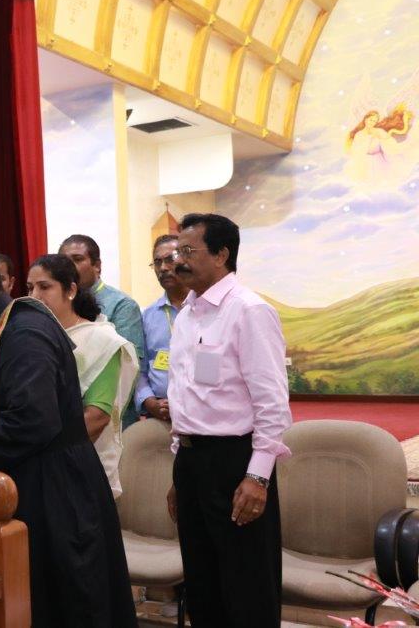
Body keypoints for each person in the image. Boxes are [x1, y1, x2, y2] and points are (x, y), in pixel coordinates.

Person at [0, 239, 137, 627]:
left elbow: (33, 420)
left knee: (65, 609)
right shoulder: (8, 327)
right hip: (42, 487)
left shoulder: (24, 333)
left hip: (56, 498)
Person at [165, 213, 291, 628]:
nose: (178, 261)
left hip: (235, 463)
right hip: (191, 461)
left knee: (247, 585)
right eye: (177, 251)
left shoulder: (250, 311)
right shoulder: (187, 314)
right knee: (202, 583)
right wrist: (179, 468)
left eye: (188, 251)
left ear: (221, 255)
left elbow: (272, 403)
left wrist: (258, 477)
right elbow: (184, 395)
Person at [26, 254, 138, 499]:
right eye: (30, 288)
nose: (34, 296)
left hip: (81, 468)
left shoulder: (101, 341)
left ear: (71, 290)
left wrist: (40, 451)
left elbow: (96, 417)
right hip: (36, 468)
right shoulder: (33, 339)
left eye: (44, 287)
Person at [59, 233, 145, 428]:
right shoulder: (58, 304)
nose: (70, 267)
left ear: (97, 265)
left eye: (77, 259)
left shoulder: (121, 305)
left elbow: (128, 364)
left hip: (112, 414)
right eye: (64, 261)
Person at [136, 235, 189, 422]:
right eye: (157, 262)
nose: (163, 268)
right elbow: (139, 369)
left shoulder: (204, 309)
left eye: (170, 259)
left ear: (186, 260)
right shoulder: (148, 316)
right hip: (160, 413)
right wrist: (150, 402)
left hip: (202, 411)